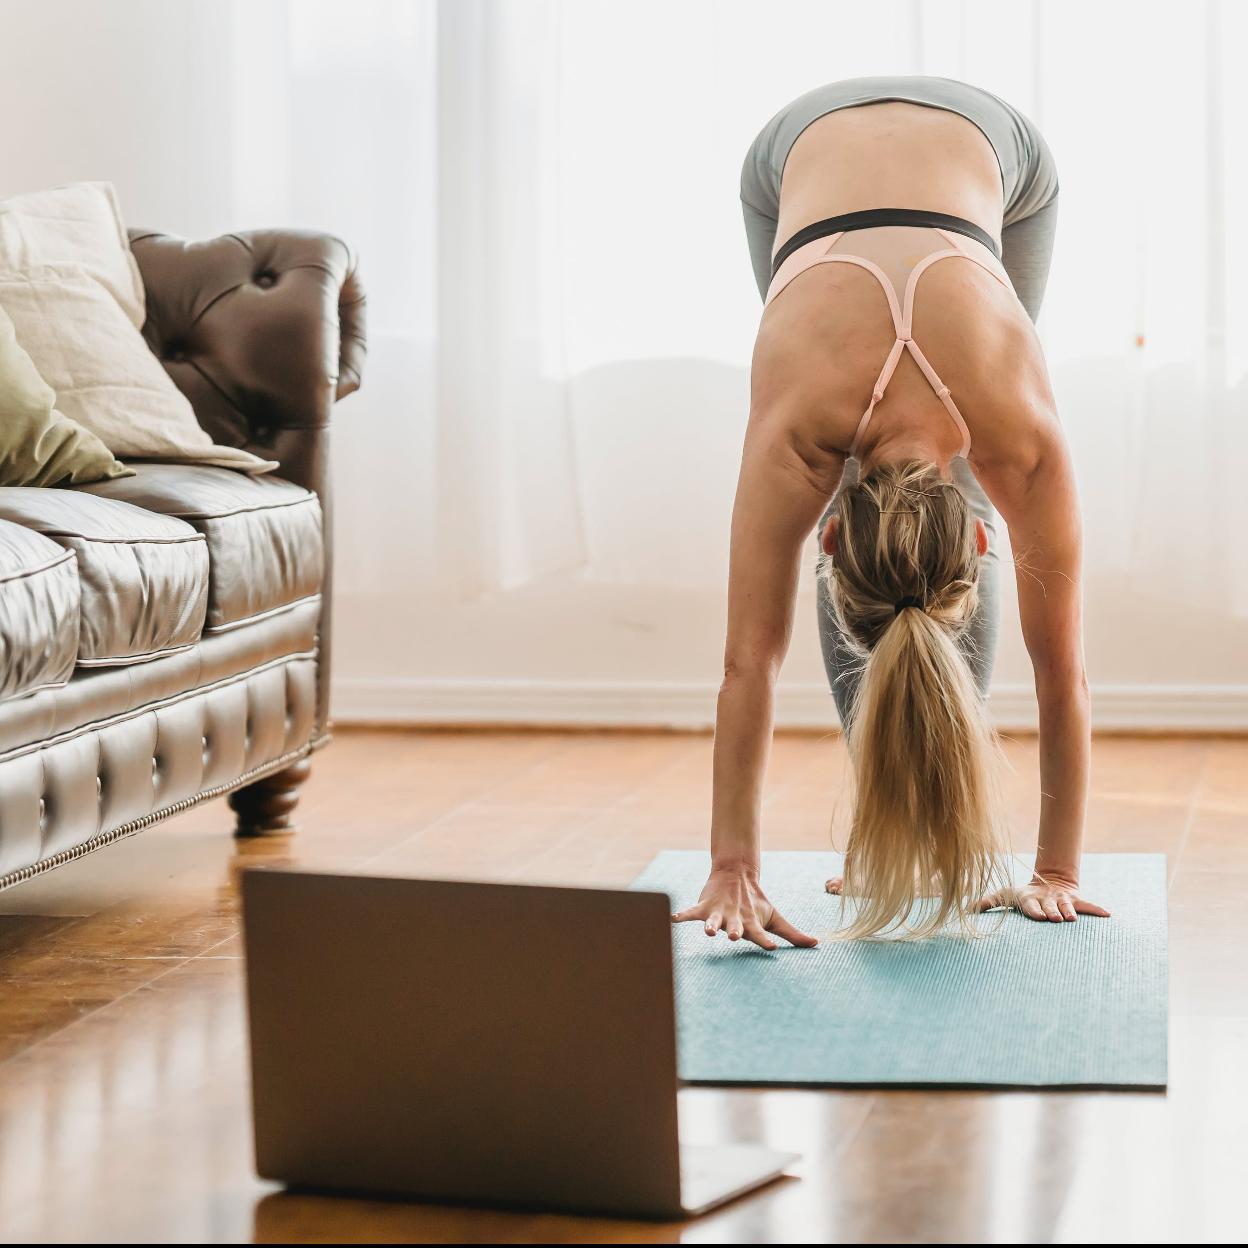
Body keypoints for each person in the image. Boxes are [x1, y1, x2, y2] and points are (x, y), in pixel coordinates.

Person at [673, 77, 1110, 946]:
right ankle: (894, 829)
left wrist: (734, 868)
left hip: (994, 160)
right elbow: (1066, 673)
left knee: (926, 477)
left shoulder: (824, 438)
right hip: (793, 158)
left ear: (822, 538)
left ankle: (936, 821)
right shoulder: (1009, 437)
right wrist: (1057, 874)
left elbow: (744, 668)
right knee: (900, 481)